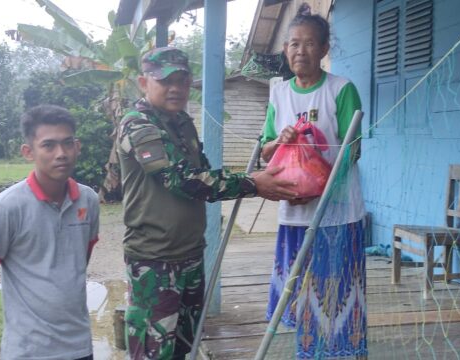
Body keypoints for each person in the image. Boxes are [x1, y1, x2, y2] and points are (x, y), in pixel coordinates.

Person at [116, 47, 299, 360]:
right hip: (155, 262)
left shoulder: (182, 122)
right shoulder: (139, 125)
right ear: (143, 83)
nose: (176, 88)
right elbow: (181, 179)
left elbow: (202, 173)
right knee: (152, 352)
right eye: (166, 80)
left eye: (182, 80)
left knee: (184, 346)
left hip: (189, 254)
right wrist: (252, 183)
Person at [260, 3, 368, 358]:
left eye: (309, 43)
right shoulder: (279, 92)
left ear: (324, 49)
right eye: (293, 43)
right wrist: (282, 141)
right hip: (294, 212)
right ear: (285, 49)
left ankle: (344, 353)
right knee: (302, 291)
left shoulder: (341, 89)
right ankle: (307, 353)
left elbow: (353, 151)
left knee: (336, 291)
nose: (299, 50)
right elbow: (265, 150)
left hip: (336, 212)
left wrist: (316, 182)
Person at [0, 105, 100, 360]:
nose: (61, 153)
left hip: (79, 348)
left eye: (67, 143)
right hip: (28, 351)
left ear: (77, 146)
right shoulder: (6, 207)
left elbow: (77, 264)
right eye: (49, 145)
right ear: (28, 152)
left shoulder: (88, 200)